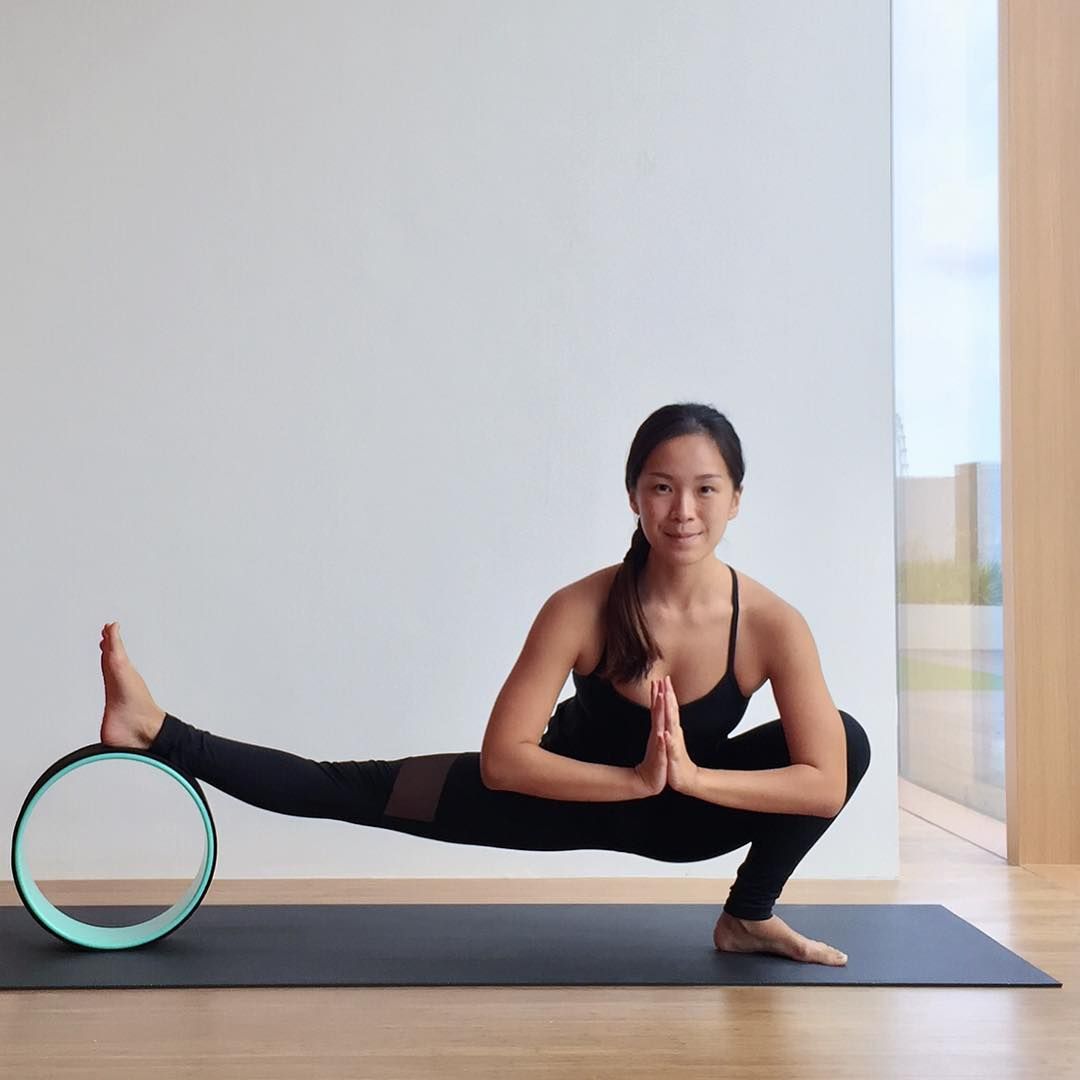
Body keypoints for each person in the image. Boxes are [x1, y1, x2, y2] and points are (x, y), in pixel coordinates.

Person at [100, 402, 870, 967]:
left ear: (736, 499)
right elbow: (504, 759)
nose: (683, 510)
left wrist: (689, 778)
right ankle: (155, 728)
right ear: (633, 495)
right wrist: (633, 779)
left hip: (686, 818)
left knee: (848, 737)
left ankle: (746, 917)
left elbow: (825, 782)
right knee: (350, 788)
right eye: (662, 487)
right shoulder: (580, 608)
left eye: (706, 489)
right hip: (547, 800)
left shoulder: (771, 623)